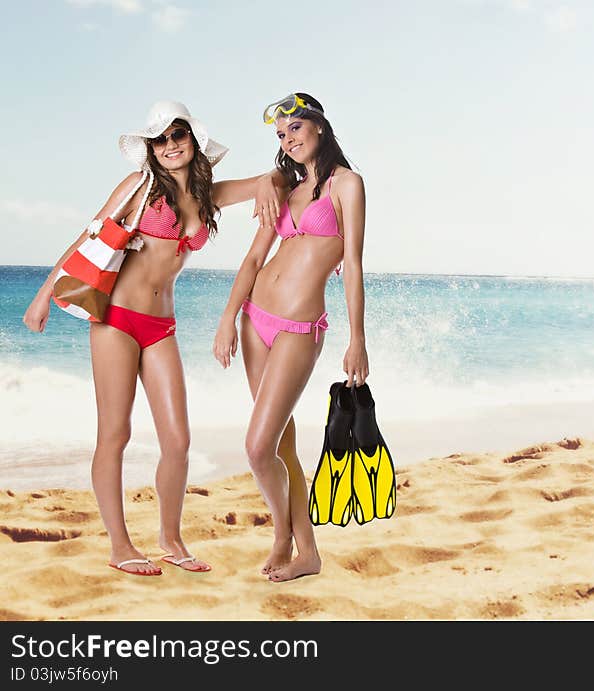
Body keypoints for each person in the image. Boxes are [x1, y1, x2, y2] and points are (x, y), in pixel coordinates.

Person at [22, 101, 283, 576]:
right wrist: (43, 296)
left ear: (193, 141)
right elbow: (87, 238)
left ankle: (170, 538)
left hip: (162, 327)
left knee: (178, 440)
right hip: (117, 320)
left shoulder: (208, 197)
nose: (169, 146)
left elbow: (273, 178)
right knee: (115, 433)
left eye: (177, 135)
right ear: (150, 148)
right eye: (159, 139)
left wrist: (270, 184)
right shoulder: (139, 188)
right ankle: (120, 546)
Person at [212, 92, 368, 582]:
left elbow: (354, 267)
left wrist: (357, 338)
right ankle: (308, 553)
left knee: (258, 447)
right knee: (279, 446)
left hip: (300, 326)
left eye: (295, 128)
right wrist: (227, 317)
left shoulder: (348, 184)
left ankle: (283, 534)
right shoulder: (286, 187)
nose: (288, 139)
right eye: (281, 135)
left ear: (319, 126)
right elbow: (256, 258)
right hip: (255, 319)